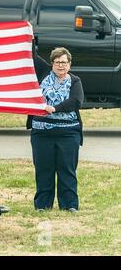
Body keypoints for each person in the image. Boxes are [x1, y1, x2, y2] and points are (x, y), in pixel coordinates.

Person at [27, 47, 84, 212]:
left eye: (64, 62)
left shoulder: (75, 81)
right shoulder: (43, 73)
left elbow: (76, 101)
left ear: (69, 65)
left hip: (68, 133)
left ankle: (69, 205)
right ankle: (43, 206)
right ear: (52, 64)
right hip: (41, 133)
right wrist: (30, 36)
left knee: (67, 169)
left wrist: (55, 108)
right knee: (44, 169)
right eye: (58, 62)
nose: (61, 66)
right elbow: (32, 55)